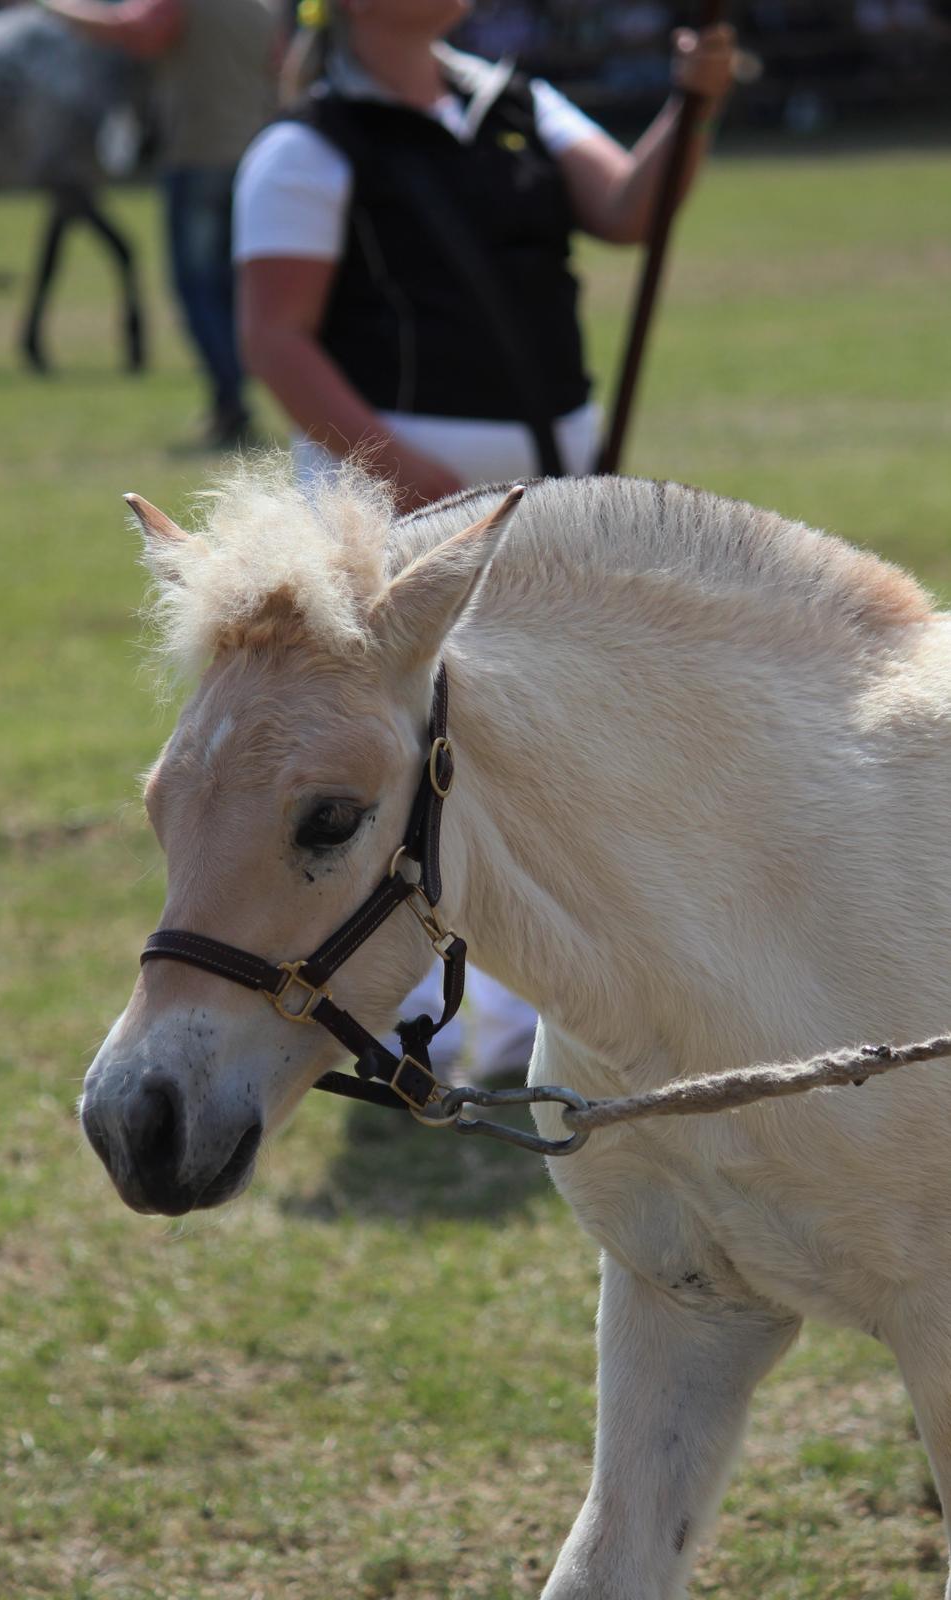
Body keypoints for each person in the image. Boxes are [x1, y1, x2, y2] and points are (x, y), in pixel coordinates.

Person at [233, 0, 735, 1078]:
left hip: (545, 497)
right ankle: (409, 1020)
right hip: (396, 514)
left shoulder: (516, 105)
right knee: (405, 757)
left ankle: (532, 1017)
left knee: (536, 754)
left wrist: (687, 108)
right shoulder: (305, 144)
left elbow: (628, 210)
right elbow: (274, 335)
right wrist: (401, 474)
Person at [41, 0, 276, 448]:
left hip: (197, 154)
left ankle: (232, 403)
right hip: (252, 157)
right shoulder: (262, 6)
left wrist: (55, 8)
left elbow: (130, 31)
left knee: (197, 287)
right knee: (231, 288)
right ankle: (234, 398)